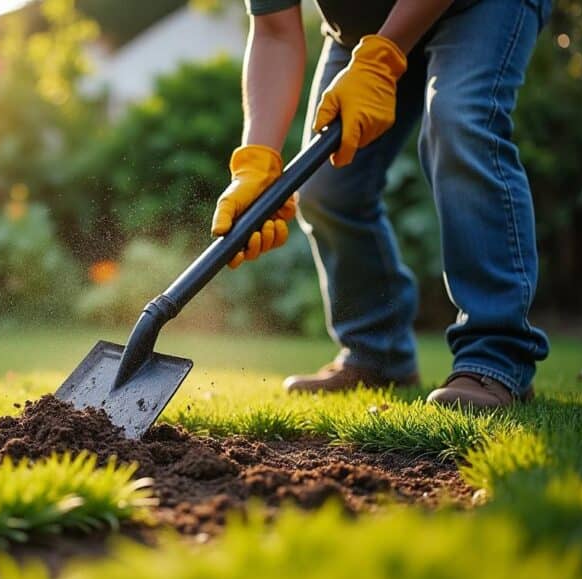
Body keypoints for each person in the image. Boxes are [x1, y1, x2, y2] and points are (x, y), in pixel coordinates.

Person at [211, 0, 551, 408]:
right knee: (326, 187)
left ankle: (495, 359)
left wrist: (382, 58)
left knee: (459, 120)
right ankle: (378, 356)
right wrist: (257, 160)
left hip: (480, 7)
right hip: (361, 31)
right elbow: (275, 33)